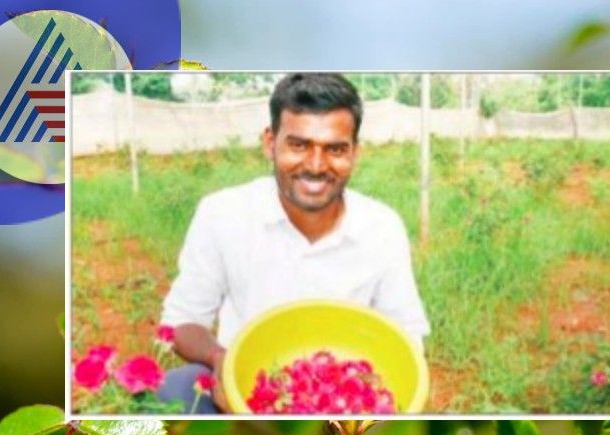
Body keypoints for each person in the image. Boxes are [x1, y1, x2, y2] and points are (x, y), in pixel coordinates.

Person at [157, 73, 430, 413]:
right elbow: (180, 321)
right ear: (270, 143)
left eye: (335, 149)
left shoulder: (381, 227)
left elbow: (406, 336)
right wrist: (220, 359)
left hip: (344, 402)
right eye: (298, 145)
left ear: (355, 153)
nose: (316, 166)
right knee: (176, 389)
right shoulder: (223, 214)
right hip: (244, 388)